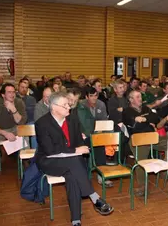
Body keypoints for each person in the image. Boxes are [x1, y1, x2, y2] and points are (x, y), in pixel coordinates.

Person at [35, 92, 113, 225]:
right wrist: (75, 150)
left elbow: (78, 143)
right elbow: (50, 150)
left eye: (69, 104)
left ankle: (76, 220)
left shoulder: (72, 120)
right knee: (74, 162)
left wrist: (80, 147)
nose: (69, 107)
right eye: (65, 105)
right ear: (54, 107)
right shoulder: (42, 123)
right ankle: (95, 197)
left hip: (71, 162)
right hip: (49, 161)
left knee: (72, 177)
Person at [0, 83, 27, 181]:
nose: (12, 95)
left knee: (24, 130)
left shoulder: (19, 103)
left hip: (15, 128)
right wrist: (5, 133)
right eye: (9, 92)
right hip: (1, 130)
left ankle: (25, 160)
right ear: (3, 95)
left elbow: (22, 122)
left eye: (13, 92)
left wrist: (14, 109)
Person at [122, 90, 162, 195]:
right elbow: (135, 127)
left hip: (152, 136)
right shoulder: (127, 111)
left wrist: (143, 119)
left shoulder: (145, 108)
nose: (140, 99)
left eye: (140, 96)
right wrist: (149, 122)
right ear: (131, 99)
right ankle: (143, 186)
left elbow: (156, 118)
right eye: (137, 97)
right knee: (141, 161)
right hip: (138, 139)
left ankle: (166, 175)